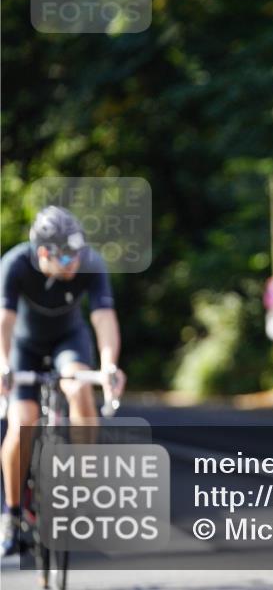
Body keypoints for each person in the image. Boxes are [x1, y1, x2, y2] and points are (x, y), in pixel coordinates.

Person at [0, 206, 126, 556]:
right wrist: (2, 365)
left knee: (80, 388)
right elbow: (4, 323)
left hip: (68, 342)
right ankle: (11, 515)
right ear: (44, 253)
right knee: (21, 422)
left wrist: (109, 365)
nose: (76, 262)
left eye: (80, 253)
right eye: (67, 256)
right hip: (22, 348)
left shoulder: (90, 263)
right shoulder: (14, 264)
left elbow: (103, 319)